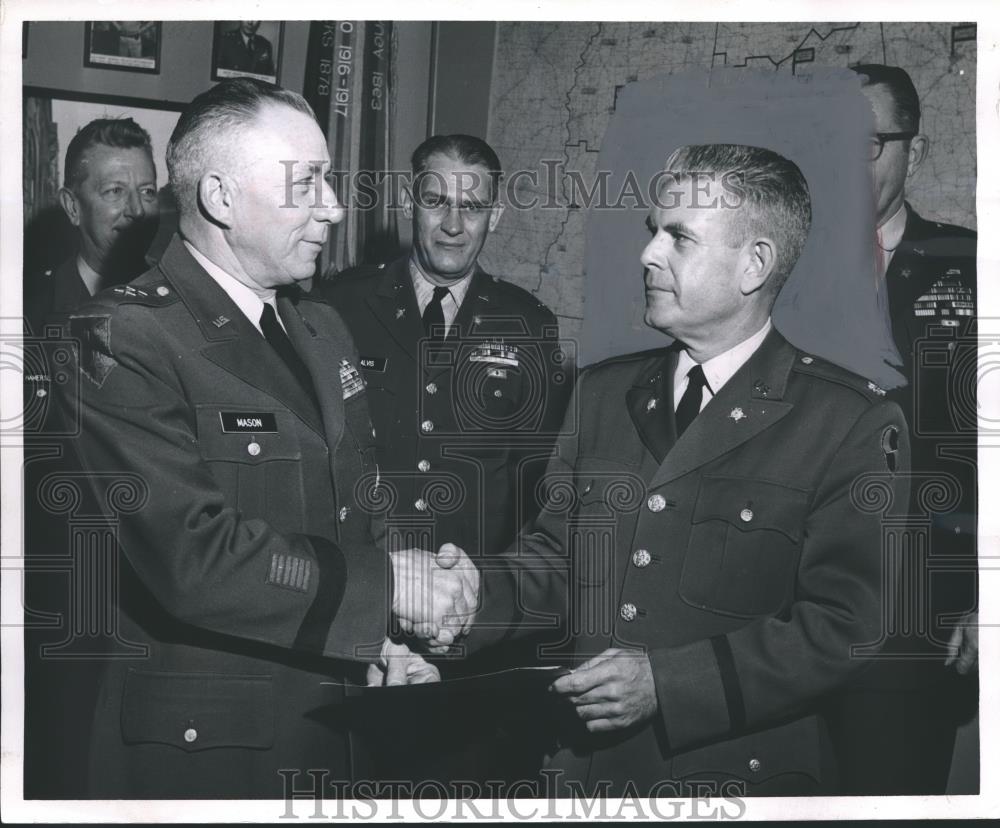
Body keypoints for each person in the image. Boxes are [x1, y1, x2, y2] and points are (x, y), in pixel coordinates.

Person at [55, 77, 475, 799]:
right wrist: (391, 591)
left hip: (338, 724)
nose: (334, 208)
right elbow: (194, 558)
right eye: (307, 184)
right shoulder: (122, 336)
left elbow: (359, 500)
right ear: (220, 198)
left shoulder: (320, 327)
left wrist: (399, 623)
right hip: (210, 755)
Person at [457, 144, 910, 796]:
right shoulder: (601, 393)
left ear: (754, 264)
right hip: (585, 777)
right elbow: (558, 561)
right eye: (653, 233)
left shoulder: (847, 422)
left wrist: (669, 685)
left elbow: (846, 625)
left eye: (679, 239)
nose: (647, 254)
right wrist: (460, 598)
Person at [319, 134, 570, 786]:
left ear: (497, 214)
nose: (454, 223)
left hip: (469, 636)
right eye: (436, 200)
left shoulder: (528, 324)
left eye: (472, 205)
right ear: (411, 201)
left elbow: (538, 493)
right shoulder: (337, 307)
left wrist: (487, 614)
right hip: (359, 616)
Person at [826, 64, 979, 795]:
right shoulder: (781, 264)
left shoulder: (971, 266)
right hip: (791, 602)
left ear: (913, 153)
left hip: (921, 608)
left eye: (869, 143)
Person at [24, 117, 160, 334]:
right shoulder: (27, 308)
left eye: (147, 192)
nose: (137, 210)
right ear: (73, 208)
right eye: (115, 191)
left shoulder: (182, 301)